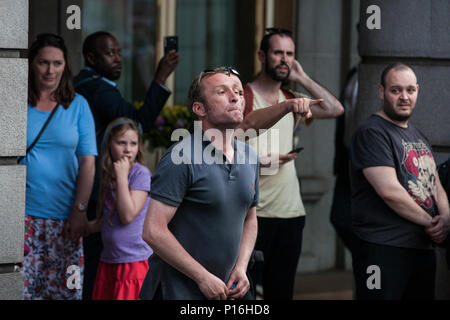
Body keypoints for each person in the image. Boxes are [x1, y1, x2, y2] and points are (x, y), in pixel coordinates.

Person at [73, 31, 179, 299]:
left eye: (119, 52)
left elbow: (122, 216)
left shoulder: (137, 174)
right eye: (111, 53)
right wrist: (160, 78)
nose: (119, 59)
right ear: (91, 57)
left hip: (128, 263)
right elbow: (137, 120)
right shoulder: (96, 87)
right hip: (111, 253)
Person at [138, 67, 259, 300]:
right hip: (177, 292)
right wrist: (202, 276)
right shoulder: (180, 157)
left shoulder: (250, 156)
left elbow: (250, 218)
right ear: (199, 109)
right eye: (222, 92)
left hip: (230, 291)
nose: (235, 97)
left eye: (238, 92)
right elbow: (153, 231)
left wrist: (241, 267)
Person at [240, 28, 344, 300]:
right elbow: (225, 150)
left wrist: (302, 77)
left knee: (282, 292)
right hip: (254, 214)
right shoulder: (243, 98)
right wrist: (260, 163)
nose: (284, 59)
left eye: (289, 54)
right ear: (262, 56)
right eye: (278, 53)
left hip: (291, 213)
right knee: (247, 293)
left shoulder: (292, 99)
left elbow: (335, 109)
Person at [349, 62, 450, 299]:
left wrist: (445, 217)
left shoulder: (418, 135)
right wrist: (432, 222)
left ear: (417, 91)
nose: (404, 97)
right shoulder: (371, 132)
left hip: (420, 248)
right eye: (396, 90)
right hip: (383, 249)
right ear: (381, 92)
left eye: (410, 90)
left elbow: (434, 183)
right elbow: (389, 191)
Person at [20, 33, 97, 300]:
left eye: (57, 63)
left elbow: (88, 162)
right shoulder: (17, 104)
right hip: (22, 218)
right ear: (31, 64)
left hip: (66, 220)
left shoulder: (79, 106)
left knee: (65, 292)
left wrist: (80, 210)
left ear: (66, 65)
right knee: (22, 292)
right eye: (43, 63)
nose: (50, 70)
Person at [88, 117, 152, 300]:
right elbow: (111, 217)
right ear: (109, 145)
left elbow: (127, 215)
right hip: (109, 260)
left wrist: (123, 177)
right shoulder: (110, 173)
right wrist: (89, 226)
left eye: (133, 143)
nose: (127, 149)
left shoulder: (140, 173)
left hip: (133, 262)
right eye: (121, 143)